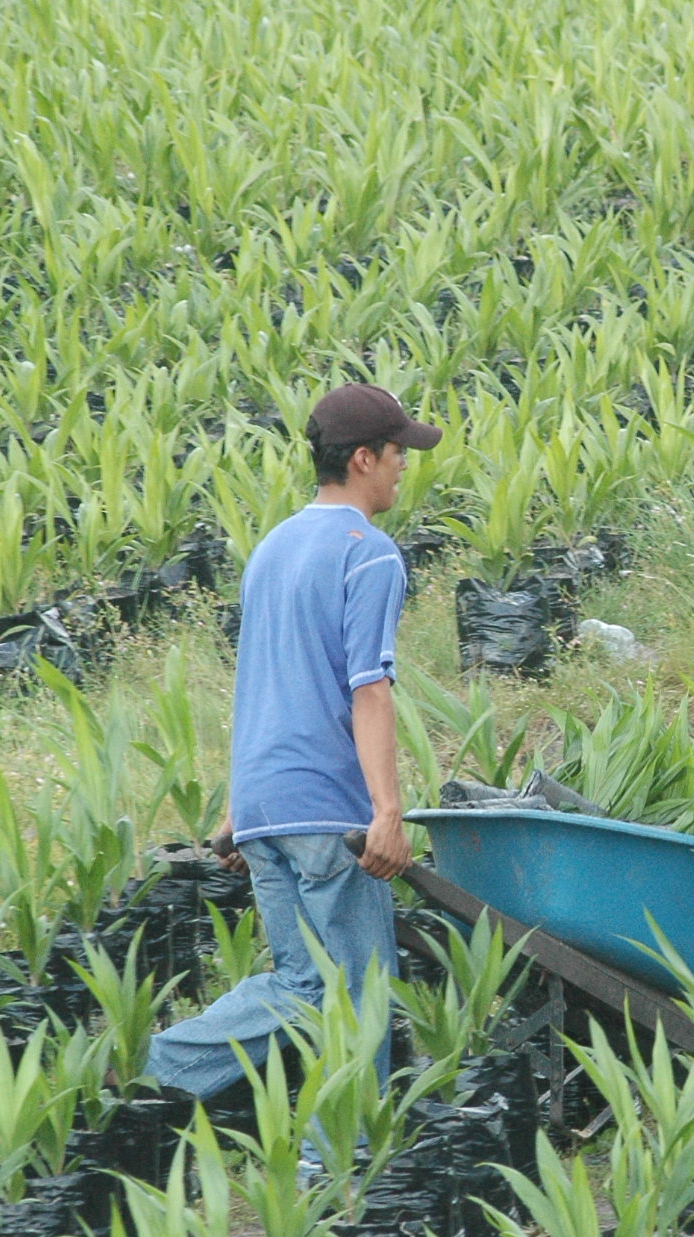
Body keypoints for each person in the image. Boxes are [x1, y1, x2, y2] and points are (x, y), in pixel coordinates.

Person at [146, 383, 441, 1099]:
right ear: (364, 459)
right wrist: (387, 814)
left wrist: (239, 810)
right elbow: (368, 688)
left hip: (265, 809)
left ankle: (160, 1067)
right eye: (399, 452)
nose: (406, 465)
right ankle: (342, 1167)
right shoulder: (368, 554)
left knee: (302, 984)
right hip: (326, 814)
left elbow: (263, 680)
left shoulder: (271, 549)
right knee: (362, 994)